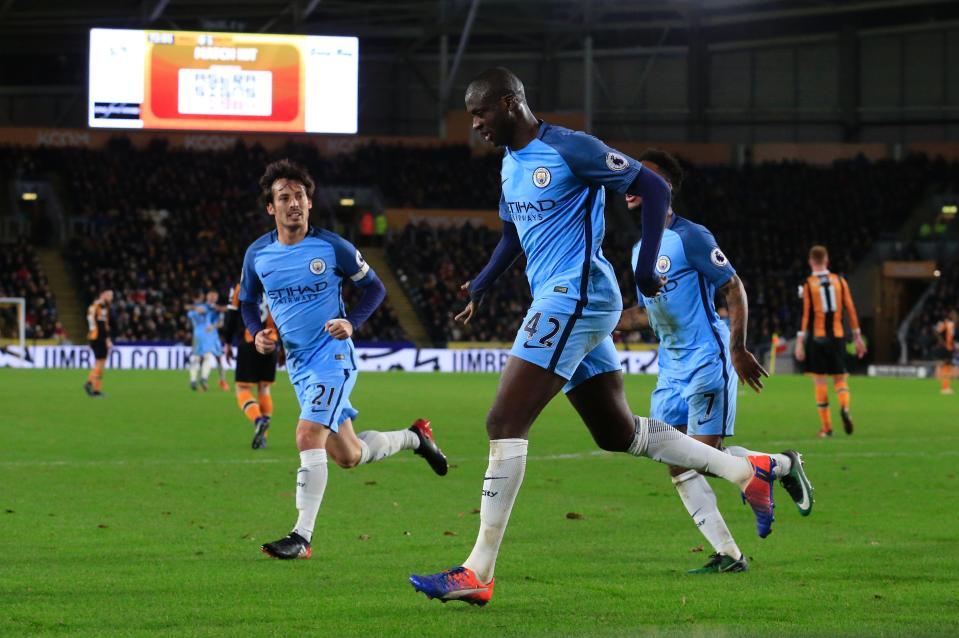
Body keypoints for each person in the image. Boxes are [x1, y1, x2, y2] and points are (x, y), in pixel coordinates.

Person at [409, 68, 810, 606]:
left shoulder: (571, 148)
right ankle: (747, 470)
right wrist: (482, 283)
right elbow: (512, 233)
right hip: (561, 297)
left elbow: (653, 185)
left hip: (575, 295)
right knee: (615, 432)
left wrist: (645, 265)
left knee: (504, 421)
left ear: (509, 103)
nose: (474, 124)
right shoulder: (509, 165)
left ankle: (477, 570)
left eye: (480, 112)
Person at [240, 159, 449, 559]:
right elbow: (248, 300)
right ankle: (415, 437)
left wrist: (351, 323)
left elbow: (375, 288)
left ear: (310, 203)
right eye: (283, 197)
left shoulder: (332, 246)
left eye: (299, 196)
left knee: (306, 434)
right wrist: (257, 334)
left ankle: (301, 537)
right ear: (271, 208)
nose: (293, 203)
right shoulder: (258, 255)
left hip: (333, 356)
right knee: (348, 455)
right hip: (299, 364)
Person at [616, 149, 813, 574]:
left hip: (708, 358)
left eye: (641, 178)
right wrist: (608, 322)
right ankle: (733, 545)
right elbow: (647, 313)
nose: (630, 185)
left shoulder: (691, 236)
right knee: (676, 460)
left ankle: (775, 468)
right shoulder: (639, 251)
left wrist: (738, 348)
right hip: (669, 367)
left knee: (703, 454)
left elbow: (734, 288)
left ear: (662, 188)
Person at [794, 246, 867, 437]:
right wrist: (858, 338)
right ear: (826, 260)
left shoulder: (808, 284)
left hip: (817, 338)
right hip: (837, 336)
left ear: (811, 261)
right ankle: (844, 407)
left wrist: (800, 342)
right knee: (840, 379)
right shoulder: (840, 281)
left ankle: (827, 428)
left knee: (820, 381)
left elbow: (805, 314)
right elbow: (850, 310)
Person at [223, 282, 279, 449]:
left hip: (251, 340)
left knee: (242, 390)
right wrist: (282, 347)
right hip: (272, 342)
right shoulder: (276, 282)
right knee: (264, 389)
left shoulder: (240, 286)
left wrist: (227, 342)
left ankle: (258, 420)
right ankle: (263, 438)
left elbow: (231, 316)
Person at [186, 291, 227, 392]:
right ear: (207, 298)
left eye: (214, 297)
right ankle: (200, 379)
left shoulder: (217, 309)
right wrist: (196, 309)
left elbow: (221, 322)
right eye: (210, 297)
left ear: (216, 298)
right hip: (205, 335)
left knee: (216, 358)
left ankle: (221, 380)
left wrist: (213, 325)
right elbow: (192, 310)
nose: (212, 299)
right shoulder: (202, 307)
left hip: (211, 335)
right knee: (205, 357)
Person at [84, 289, 113, 397]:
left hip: (93, 336)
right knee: (101, 363)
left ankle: (96, 390)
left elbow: (92, 322)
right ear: (103, 295)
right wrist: (107, 339)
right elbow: (102, 325)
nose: (111, 298)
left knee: (99, 363)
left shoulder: (93, 306)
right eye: (109, 295)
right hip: (99, 337)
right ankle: (89, 383)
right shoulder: (101, 307)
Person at [934, 309, 957, 395]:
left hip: (950, 347)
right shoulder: (946, 322)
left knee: (948, 367)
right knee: (947, 366)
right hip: (946, 347)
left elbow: (952, 336)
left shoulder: (953, 325)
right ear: (950, 315)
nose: (956, 316)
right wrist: (941, 341)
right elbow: (936, 330)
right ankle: (945, 388)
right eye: (954, 315)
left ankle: (946, 387)